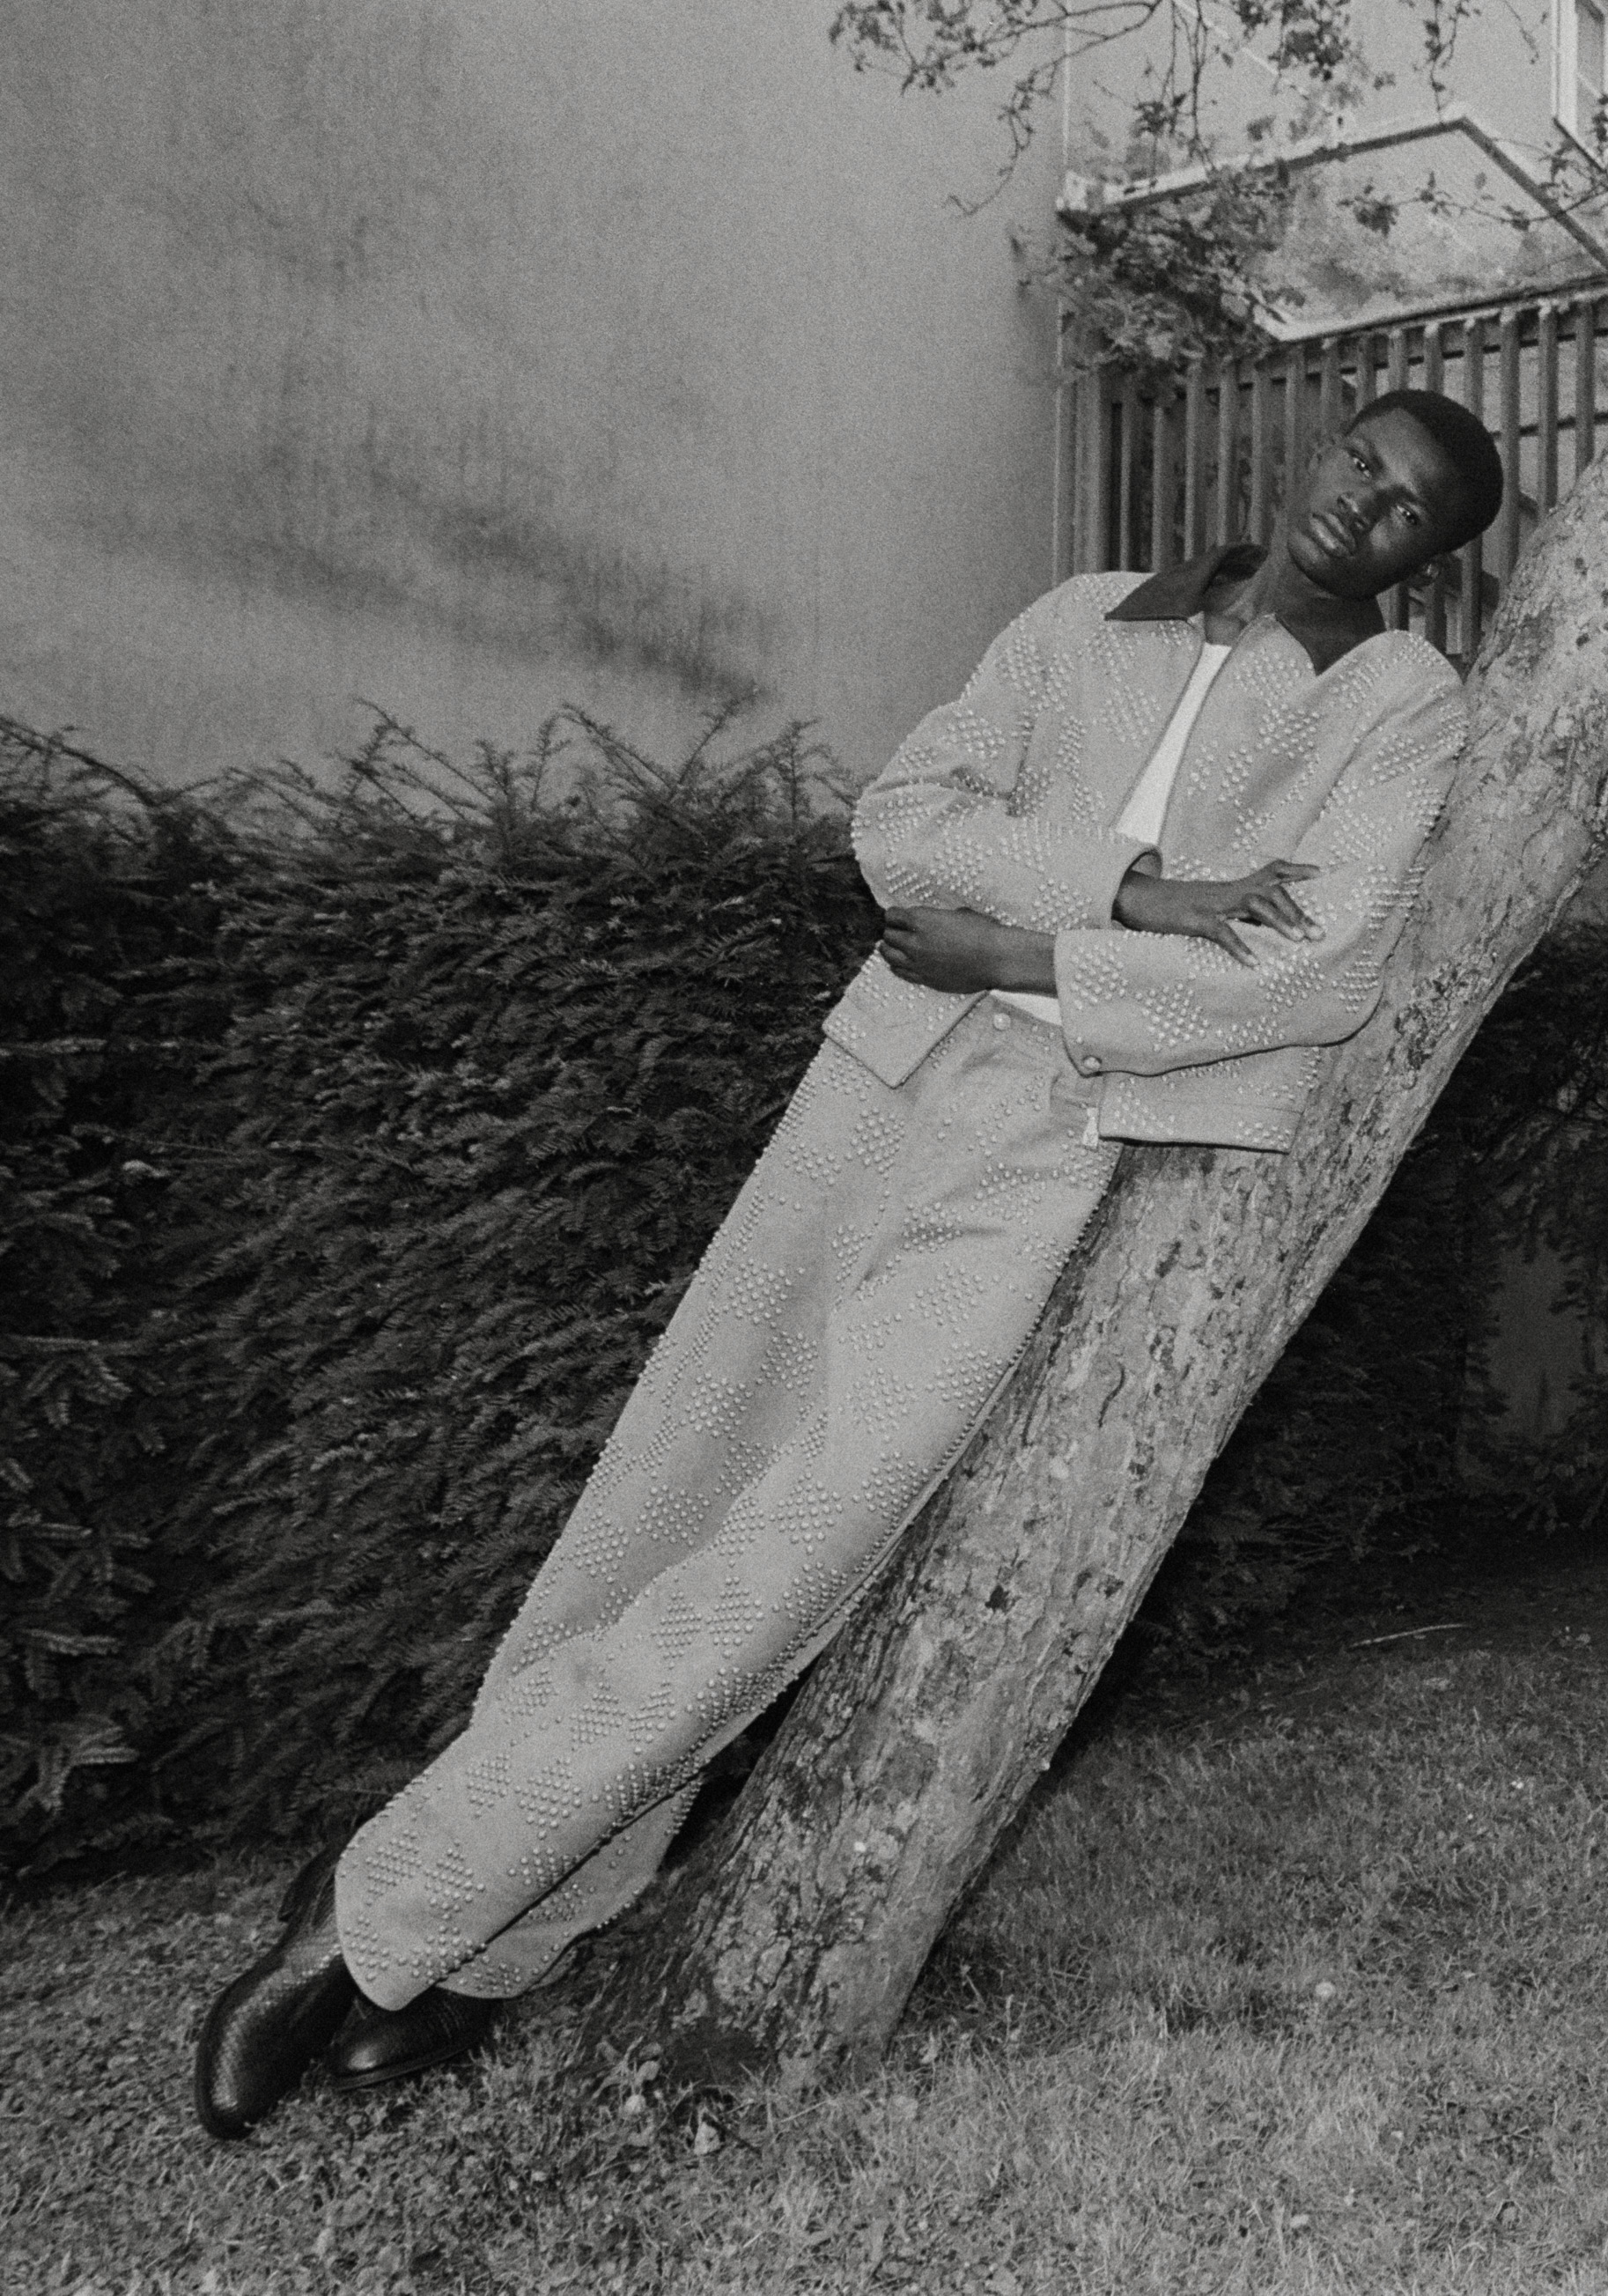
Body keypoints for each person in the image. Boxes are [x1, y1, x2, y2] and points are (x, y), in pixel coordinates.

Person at [194, 389, 1508, 2139]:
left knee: (797, 1550)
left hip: (1059, 1137)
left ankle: (367, 1912)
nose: (1366, 504)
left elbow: (1317, 968)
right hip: (874, 1084)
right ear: (1316, 445)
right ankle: (499, 1940)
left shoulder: (1397, 701)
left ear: (1432, 560)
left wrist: (1012, 947)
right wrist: (1127, 893)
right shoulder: (1085, 616)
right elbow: (903, 822)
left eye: (1413, 508)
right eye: (1363, 459)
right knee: (658, 1505)